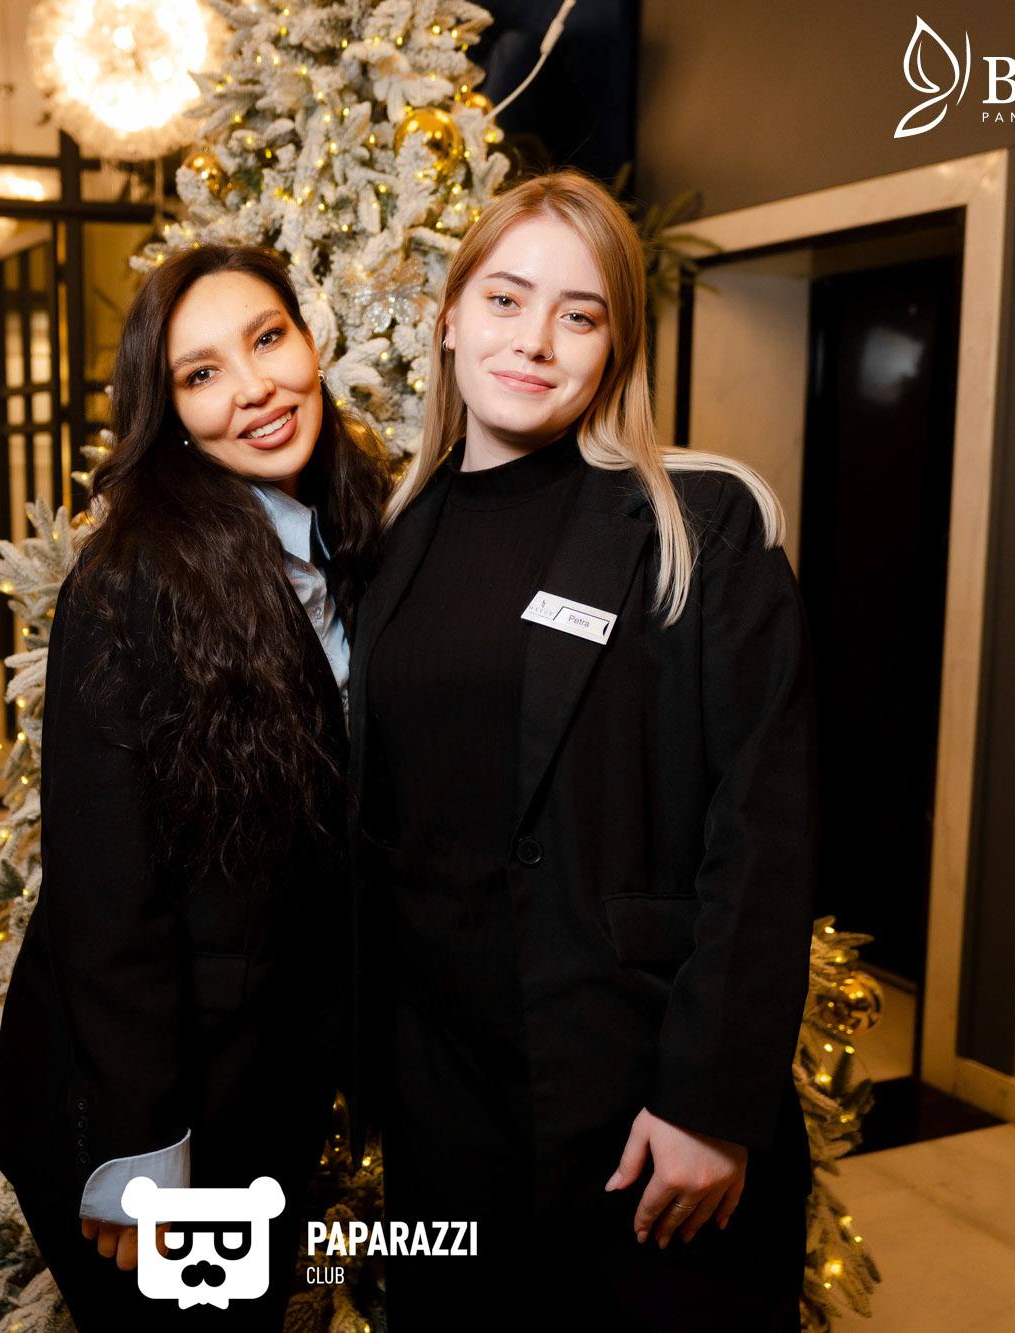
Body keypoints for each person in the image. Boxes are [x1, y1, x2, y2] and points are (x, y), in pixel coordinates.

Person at [350, 171, 819, 1328]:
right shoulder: (393, 537)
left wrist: (709, 1100)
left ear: (614, 349)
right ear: (448, 318)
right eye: (505, 299)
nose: (533, 341)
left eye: (579, 313)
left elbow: (763, 830)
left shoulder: (699, 528)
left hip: (634, 1104)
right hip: (441, 1110)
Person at [0, 243, 391, 1328]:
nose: (252, 387)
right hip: (147, 1104)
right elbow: (104, 893)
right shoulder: (130, 581)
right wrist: (140, 1155)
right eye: (202, 373)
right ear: (165, 413)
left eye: (267, 339)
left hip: (267, 1080)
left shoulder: (351, 538)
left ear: (310, 342)